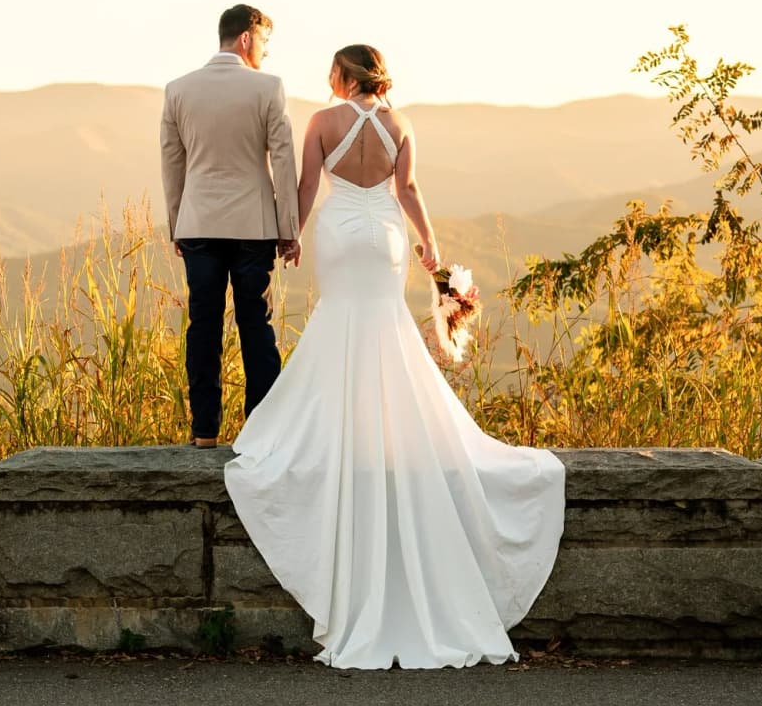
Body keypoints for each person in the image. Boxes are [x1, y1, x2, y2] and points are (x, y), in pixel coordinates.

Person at [222, 43, 565, 669]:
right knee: (385, 325)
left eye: (332, 70)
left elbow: (304, 185)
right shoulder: (401, 124)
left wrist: (291, 235)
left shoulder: (324, 122)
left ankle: (341, 433)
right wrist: (430, 245)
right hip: (383, 238)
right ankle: (391, 433)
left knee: (339, 322)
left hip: (338, 233)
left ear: (343, 75)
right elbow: (407, 188)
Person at [159, 4, 302, 448]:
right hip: (253, 225)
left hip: (198, 222)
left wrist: (177, 223)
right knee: (254, 323)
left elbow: (172, 161)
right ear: (246, 38)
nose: (266, 53)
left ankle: (204, 431)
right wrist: (289, 226)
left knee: (203, 324)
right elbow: (282, 158)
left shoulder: (178, 89)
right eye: (264, 42)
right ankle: (262, 432)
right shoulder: (268, 88)